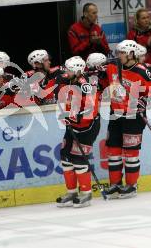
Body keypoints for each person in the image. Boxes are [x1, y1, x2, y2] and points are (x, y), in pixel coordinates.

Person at [103, 40, 151, 199]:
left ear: (131, 54)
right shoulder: (113, 67)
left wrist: (144, 102)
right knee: (113, 152)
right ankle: (115, 185)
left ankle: (131, 186)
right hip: (116, 114)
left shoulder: (142, 71)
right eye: (118, 52)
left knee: (130, 153)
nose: (118, 55)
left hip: (134, 116)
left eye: (121, 53)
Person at [55, 56, 101, 208]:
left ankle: (86, 194)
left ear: (77, 70)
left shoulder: (86, 85)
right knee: (65, 156)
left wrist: (72, 118)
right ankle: (72, 192)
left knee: (79, 159)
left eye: (68, 69)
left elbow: (90, 110)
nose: (65, 72)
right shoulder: (69, 80)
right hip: (73, 125)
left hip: (87, 127)